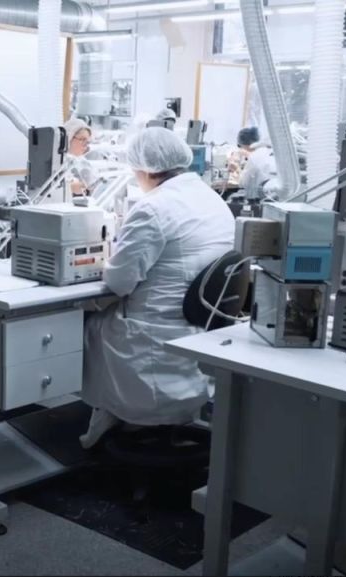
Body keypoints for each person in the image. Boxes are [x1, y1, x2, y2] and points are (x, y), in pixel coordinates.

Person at [80, 127, 236, 449]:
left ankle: (110, 420)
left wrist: (106, 260)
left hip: (152, 338)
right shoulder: (212, 199)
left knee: (83, 325)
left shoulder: (153, 208)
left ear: (143, 168)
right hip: (199, 336)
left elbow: (118, 283)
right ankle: (121, 421)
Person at [64, 118, 100, 197]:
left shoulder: (83, 162)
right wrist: (70, 187)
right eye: (82, 139)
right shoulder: (57, 162)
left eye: (87, 141)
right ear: (69, 137)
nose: (85, 144)